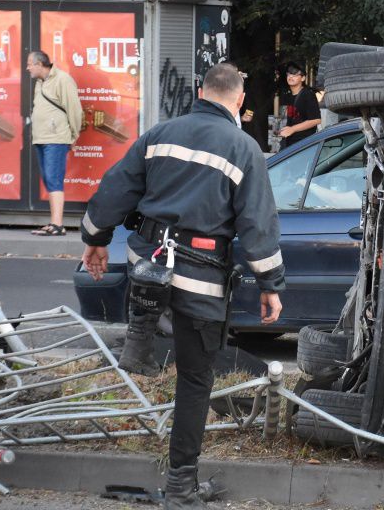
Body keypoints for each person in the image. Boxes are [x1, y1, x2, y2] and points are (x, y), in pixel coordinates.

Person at [80, 63, 285, 509]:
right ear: (238, 101)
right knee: (196, 379)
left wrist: (94, 240)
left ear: (200, 91)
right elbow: (257, 222)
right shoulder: (244, 148)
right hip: (201, 278)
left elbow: (114, 190)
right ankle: (180, 486)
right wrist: (270, 283)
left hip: (148, 268)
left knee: (157, 335)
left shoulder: (159, 134)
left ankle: (141, 343)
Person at [26, 51, 81, 236]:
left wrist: (74, 135)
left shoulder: (62, 80)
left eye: (29, 64)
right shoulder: (40, 83)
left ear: (40, 64)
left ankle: (58, 225)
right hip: (42, 138)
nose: (27, 68)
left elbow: (74, 109)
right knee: (49, 180)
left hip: (57, 138)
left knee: (54, 179)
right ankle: (53, 222)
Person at [278, 61, 320, 147]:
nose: (291, 76)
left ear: (303, 78)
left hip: (304, 144)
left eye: (295, 74)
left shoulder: (308, 94)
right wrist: (286, 130)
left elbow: (316, 120)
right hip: (289, 143)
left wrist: (292, 129)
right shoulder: (289, 96)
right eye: (288, 74)